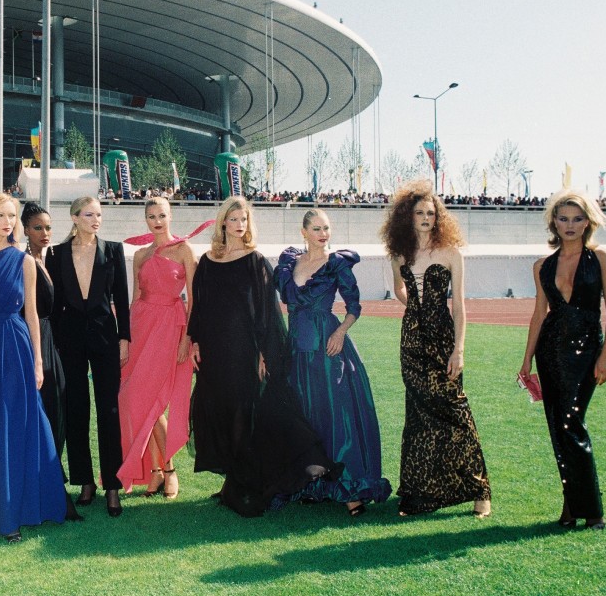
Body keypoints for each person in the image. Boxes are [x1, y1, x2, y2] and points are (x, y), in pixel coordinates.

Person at [188, 196, 340, 518]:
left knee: (245, 415)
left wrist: (264, 354)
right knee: (221, 413)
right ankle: (232, 483)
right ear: (223, 223)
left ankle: (247, 488)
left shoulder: (255, 262)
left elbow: (268, 315)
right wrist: (195, 341)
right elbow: (198, 307)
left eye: (244, 219)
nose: (240, 225)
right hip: (213, 352)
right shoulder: (206, 262)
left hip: (244, 352)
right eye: (234, 219)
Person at [380, 180, 491, 518]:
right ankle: (418, 496)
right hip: (412, 342)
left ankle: (479, 490)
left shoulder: (450, 253)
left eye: (431, 212)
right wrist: (414, 306)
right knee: (418, 417)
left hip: (443, 339)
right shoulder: (399, 253)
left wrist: (459, 349)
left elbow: (458, 306)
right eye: (419, 212)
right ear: (407, 216)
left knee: (456, 411)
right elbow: (400, 289)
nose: (426, 218)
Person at [275, 209, 392, 516]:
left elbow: (354, 306)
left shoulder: (337, 263)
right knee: (305, 417)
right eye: (316, 228)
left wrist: (340, 331)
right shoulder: (289, 263)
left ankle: (349, 490)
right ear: (304, 232)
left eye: (326, 228)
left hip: (328, 347)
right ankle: (314, 484)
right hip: (296, 350)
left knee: (335, 416)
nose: (323, 233)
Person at [519, 188, 606, 530]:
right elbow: (538, 315)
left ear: (588, 221)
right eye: (563, 218)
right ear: (554, 223)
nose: (570, 225)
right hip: (551, 353)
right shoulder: (542, 266)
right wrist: (527, 360)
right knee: (559, 429)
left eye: (577, 218)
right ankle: (570, 507)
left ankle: (593, 512)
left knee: (571, 423)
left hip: (588, 350)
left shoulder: (602, 259)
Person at [0, 193, 69, 539]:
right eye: (0, 215)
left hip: (15, 346)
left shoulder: (23, 260)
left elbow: (31, 315)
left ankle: (15, 511)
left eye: (12, 215)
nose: (8, 222)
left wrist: (38, 362)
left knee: (14, 424)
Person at [45, 196, 132, 517]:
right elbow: (54, 306)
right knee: (77, 410)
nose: (96, 219)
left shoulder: (113, 251)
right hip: (69, 339)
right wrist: (52, 342)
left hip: (106, 338)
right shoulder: (56, 253)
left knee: (109, 412)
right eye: (89, 214)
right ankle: (85, 482)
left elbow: (121, 298)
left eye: (99, 214)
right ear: (74, 217)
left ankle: (112, 486)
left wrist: (125, 338)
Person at [115, 197, 203, 500]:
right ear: (145, 219)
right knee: (132, 400)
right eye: (151, 216)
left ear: (170, 216)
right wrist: (124, 337)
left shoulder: (184, 250)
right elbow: (135, 299)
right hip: (141, 328)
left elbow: (193, 299)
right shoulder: (140, 255)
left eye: (162, 215)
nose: (157, 221)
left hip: (169, 328)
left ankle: (168, 470)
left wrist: (186, 340)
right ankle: (156, 471)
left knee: (150, 401)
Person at [21, 201, 84, 523]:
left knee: (58, 417)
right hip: (36, 345)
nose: (44, 233)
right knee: (44, 419)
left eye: (48, 227)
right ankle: (50, 494)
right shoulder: (23, 262)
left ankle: (51, 487)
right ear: (25, 230)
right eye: (37, 228)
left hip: (57, 346)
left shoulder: (53, 259)